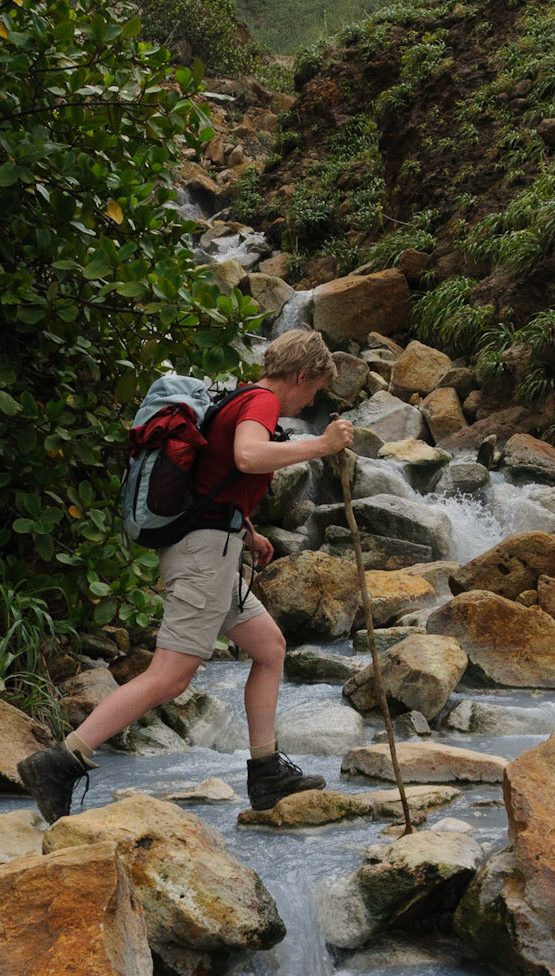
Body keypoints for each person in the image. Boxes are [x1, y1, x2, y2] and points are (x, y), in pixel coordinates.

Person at [18, 327, 355, 821]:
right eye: (315, 389)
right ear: (302, 375)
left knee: (269, 648)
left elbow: (216, 481)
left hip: (215, 548)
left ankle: (265, 771)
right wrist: (320, 447)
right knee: (169, 678)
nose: (311, 400)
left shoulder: (240, 397)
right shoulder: (260, 402)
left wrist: (248, 533)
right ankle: (60, 761)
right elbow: (247, 456)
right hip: (204, 559)